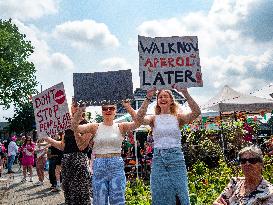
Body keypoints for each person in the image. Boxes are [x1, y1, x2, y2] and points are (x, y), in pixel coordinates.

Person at [72, 90, 154, 205]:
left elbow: (138, 123)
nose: (108, 110)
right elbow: (75, 127)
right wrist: (81, 108)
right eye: (105, 108)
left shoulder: (121, 126)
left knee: (118, 200)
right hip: (99, 164)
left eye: (111, 108)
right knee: (99, 200)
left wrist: (128, 107)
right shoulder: (94, 126)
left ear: (115, 111)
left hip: (116, 164)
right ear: (101, 111)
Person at [138, 87, 200, 205]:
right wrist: (148, 97)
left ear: (171, 100)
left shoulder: (178, 117)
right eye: (160, 97)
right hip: (159, 158)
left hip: (176, 157)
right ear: (157, 102)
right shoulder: (153, 118)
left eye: (166, 96)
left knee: (180, 191)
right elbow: (139, 119)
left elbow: (196, 112)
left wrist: (185, 93)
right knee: (159, 192)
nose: (162, 98)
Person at [45, 110, 92, 204]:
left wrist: (74, 127)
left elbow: (82, 145)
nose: (73, 108)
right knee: (68, 190)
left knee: (81, 192)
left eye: (76, 106)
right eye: (72, 106)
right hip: (66, 161)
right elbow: (63, 146)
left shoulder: (87, 125)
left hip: (79, 161)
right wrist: (48, 139)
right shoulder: (66, 126)